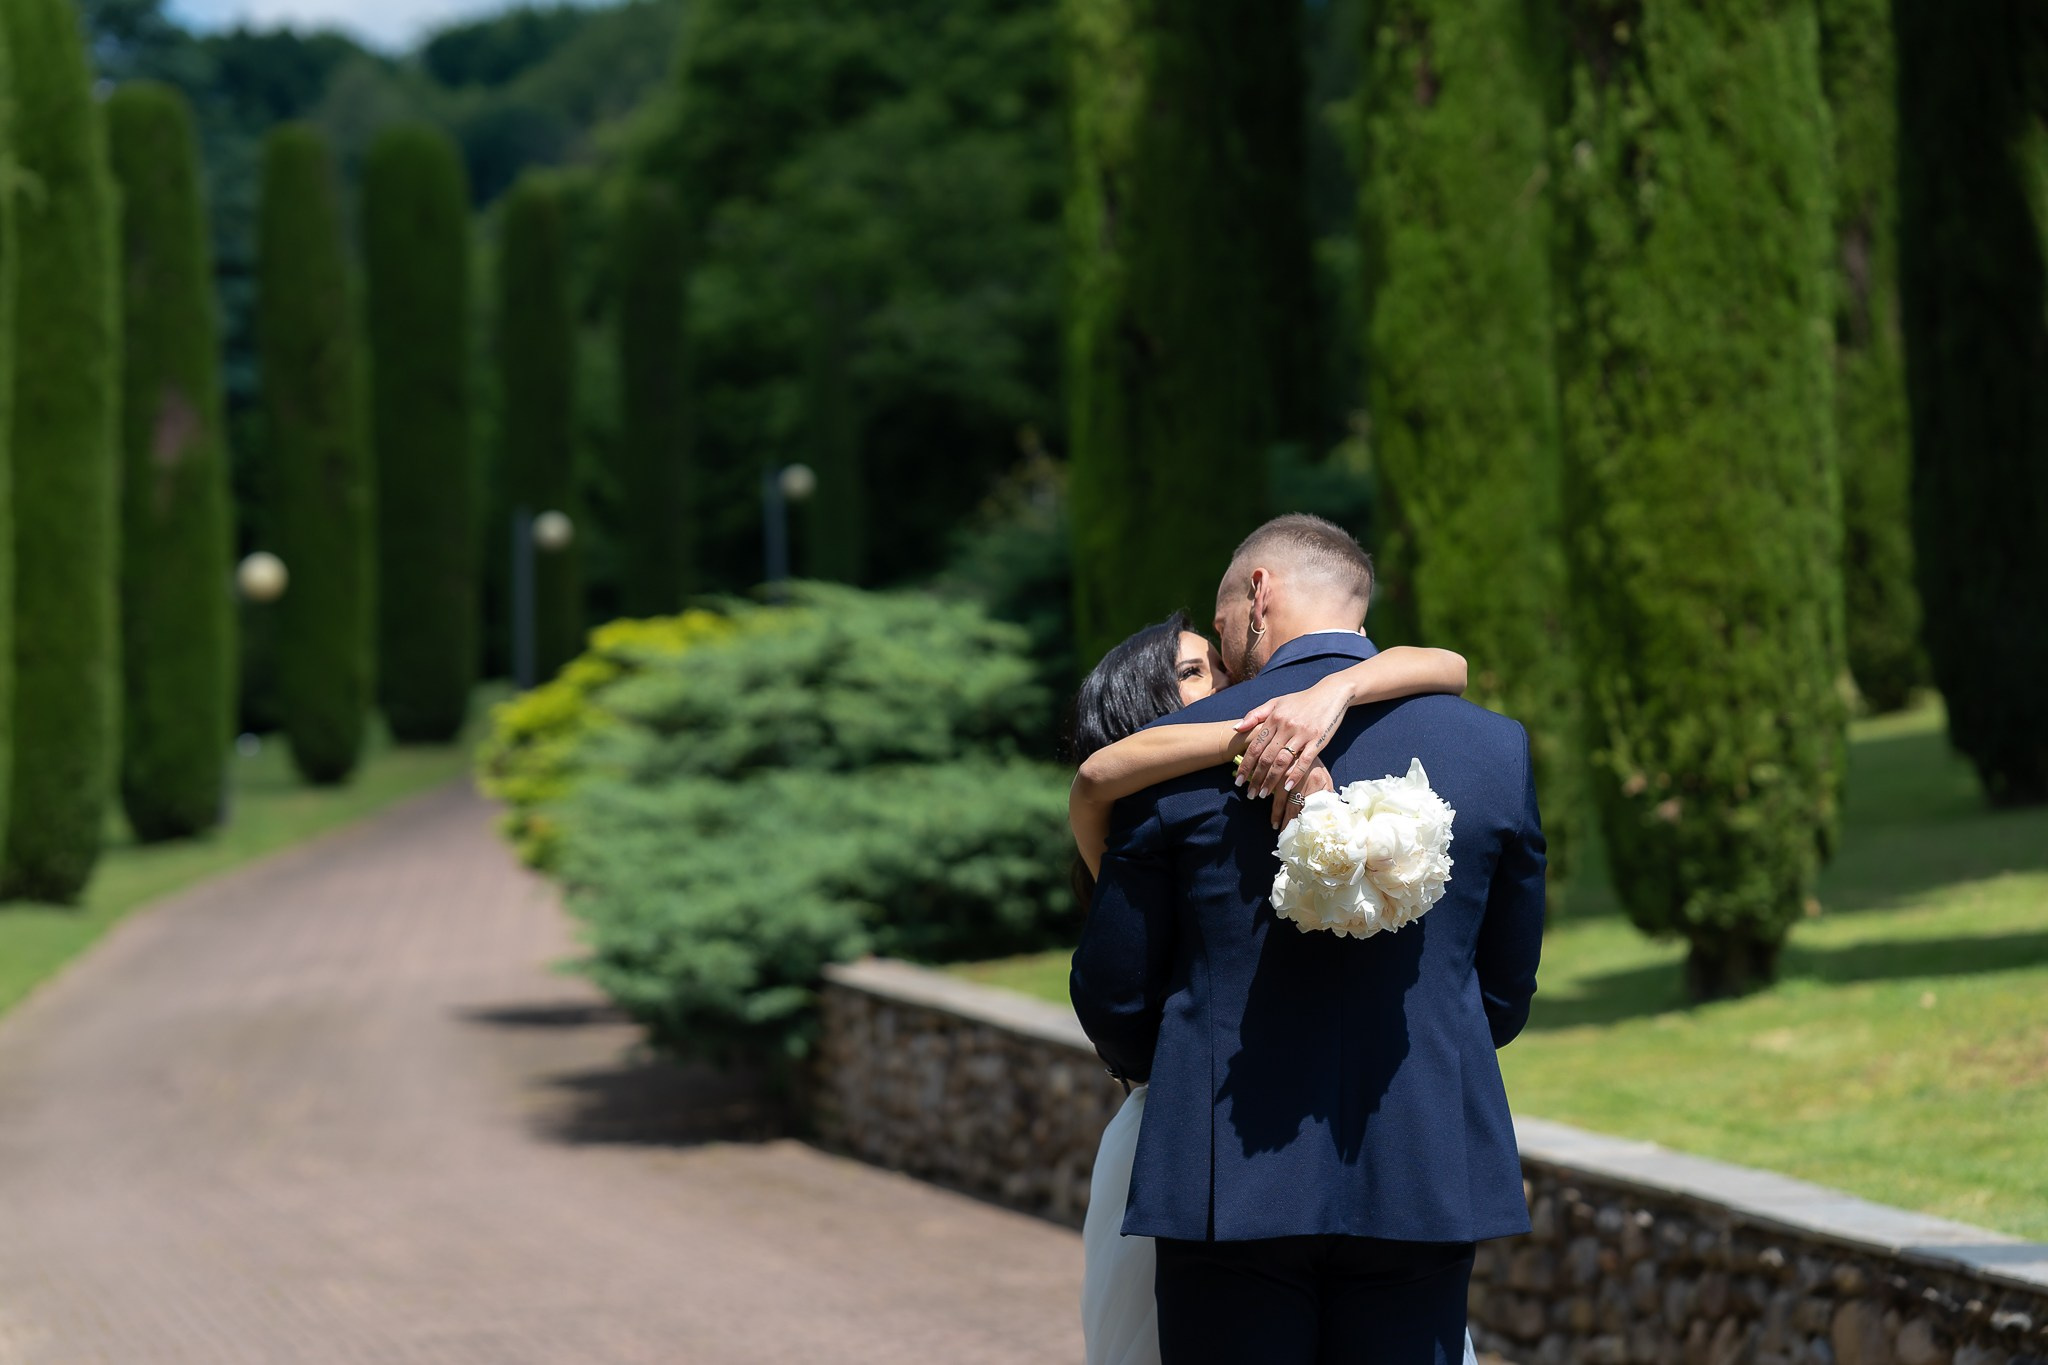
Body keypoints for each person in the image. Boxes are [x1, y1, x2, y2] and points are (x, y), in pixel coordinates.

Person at [1070, 514, 1547, 1365]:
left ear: (1259, 593)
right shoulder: (1493, 749)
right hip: (1421, 1160)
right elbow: (1506, 988)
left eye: (1219, 626)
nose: (1226, 652)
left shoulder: (1170, 761)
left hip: (1226, 1174)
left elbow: (1115, 994)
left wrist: (1182, 1065)